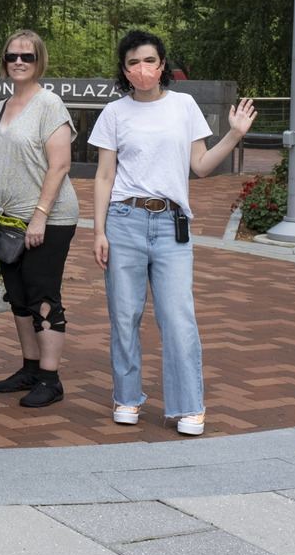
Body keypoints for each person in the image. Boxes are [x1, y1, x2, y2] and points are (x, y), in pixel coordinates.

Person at [89, 29, 255, 436]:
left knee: (178, 317)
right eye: (132, 63)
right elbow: (104, 175)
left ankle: (188, 406)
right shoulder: (114, 113)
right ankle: (126, 397)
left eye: (149, 61)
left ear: (163, 65)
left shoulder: (183, 105)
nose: (142, 69)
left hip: (171, 225)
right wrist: (98, 231)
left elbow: (200, 165)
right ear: (124, 70)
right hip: (123, 221)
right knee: (124, 315)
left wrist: (234, 135)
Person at [0, 30, 78, 408]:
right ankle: (30, 368)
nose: (18, 62)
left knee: (42, 297)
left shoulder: (49, 105)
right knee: (18, 298)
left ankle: (51, 379)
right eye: (11, 56)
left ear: (39, 61)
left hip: (47, 221)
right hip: (6, 221)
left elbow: (61, 165)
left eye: (27, 56)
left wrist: (39, 217)